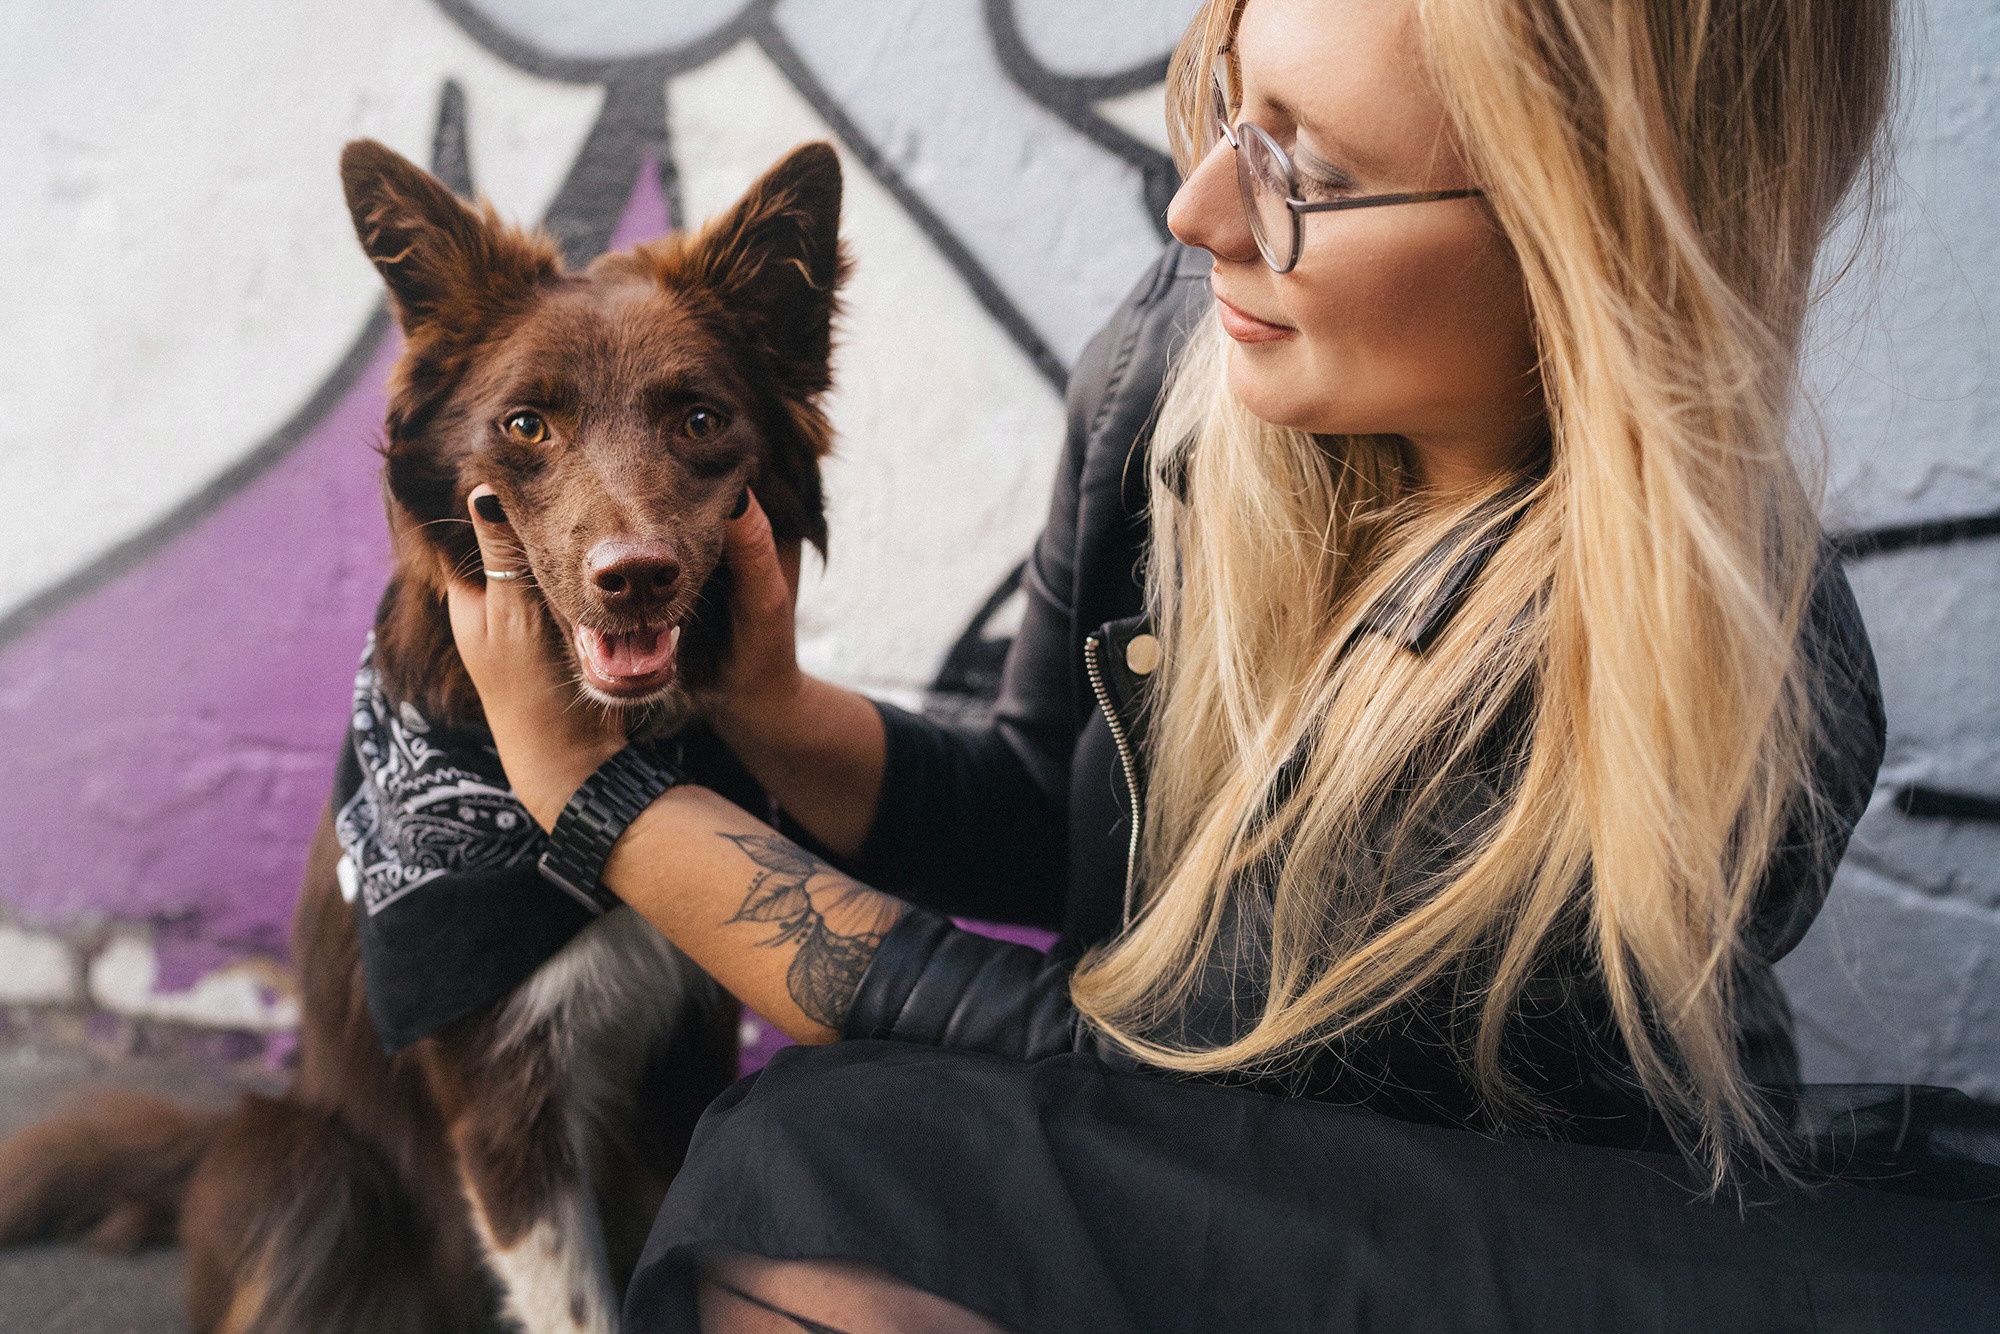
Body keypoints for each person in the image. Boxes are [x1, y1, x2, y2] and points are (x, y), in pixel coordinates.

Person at [448, 0, 2000, 1329]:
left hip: (1508, 1238)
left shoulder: (1696, 682)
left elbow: (1129, 1078)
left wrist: (604, 806)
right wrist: (772, 714)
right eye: (1223, 104)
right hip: (1206, 1151)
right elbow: (1048, 813)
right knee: (811, 1153)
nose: (1198, 209)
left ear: (1590, 231)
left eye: (1304, 171)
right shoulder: (1188, 367)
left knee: (818, 1159)